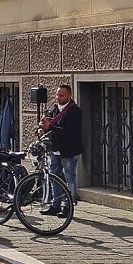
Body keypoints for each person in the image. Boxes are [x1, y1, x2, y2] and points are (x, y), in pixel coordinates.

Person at [40, 83, 82, 215]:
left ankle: (68, 206)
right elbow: (49, 126)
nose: (58, 97)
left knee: (69, 179)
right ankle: (55, 205)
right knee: (53, 177)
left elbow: (70, 131)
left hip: (69, 150)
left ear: (69, 95)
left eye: (61, 95)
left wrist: (50, 127)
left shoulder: (75, 111)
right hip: (56, 149)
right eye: (57, 94)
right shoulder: (54, 109)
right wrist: (42, 130)